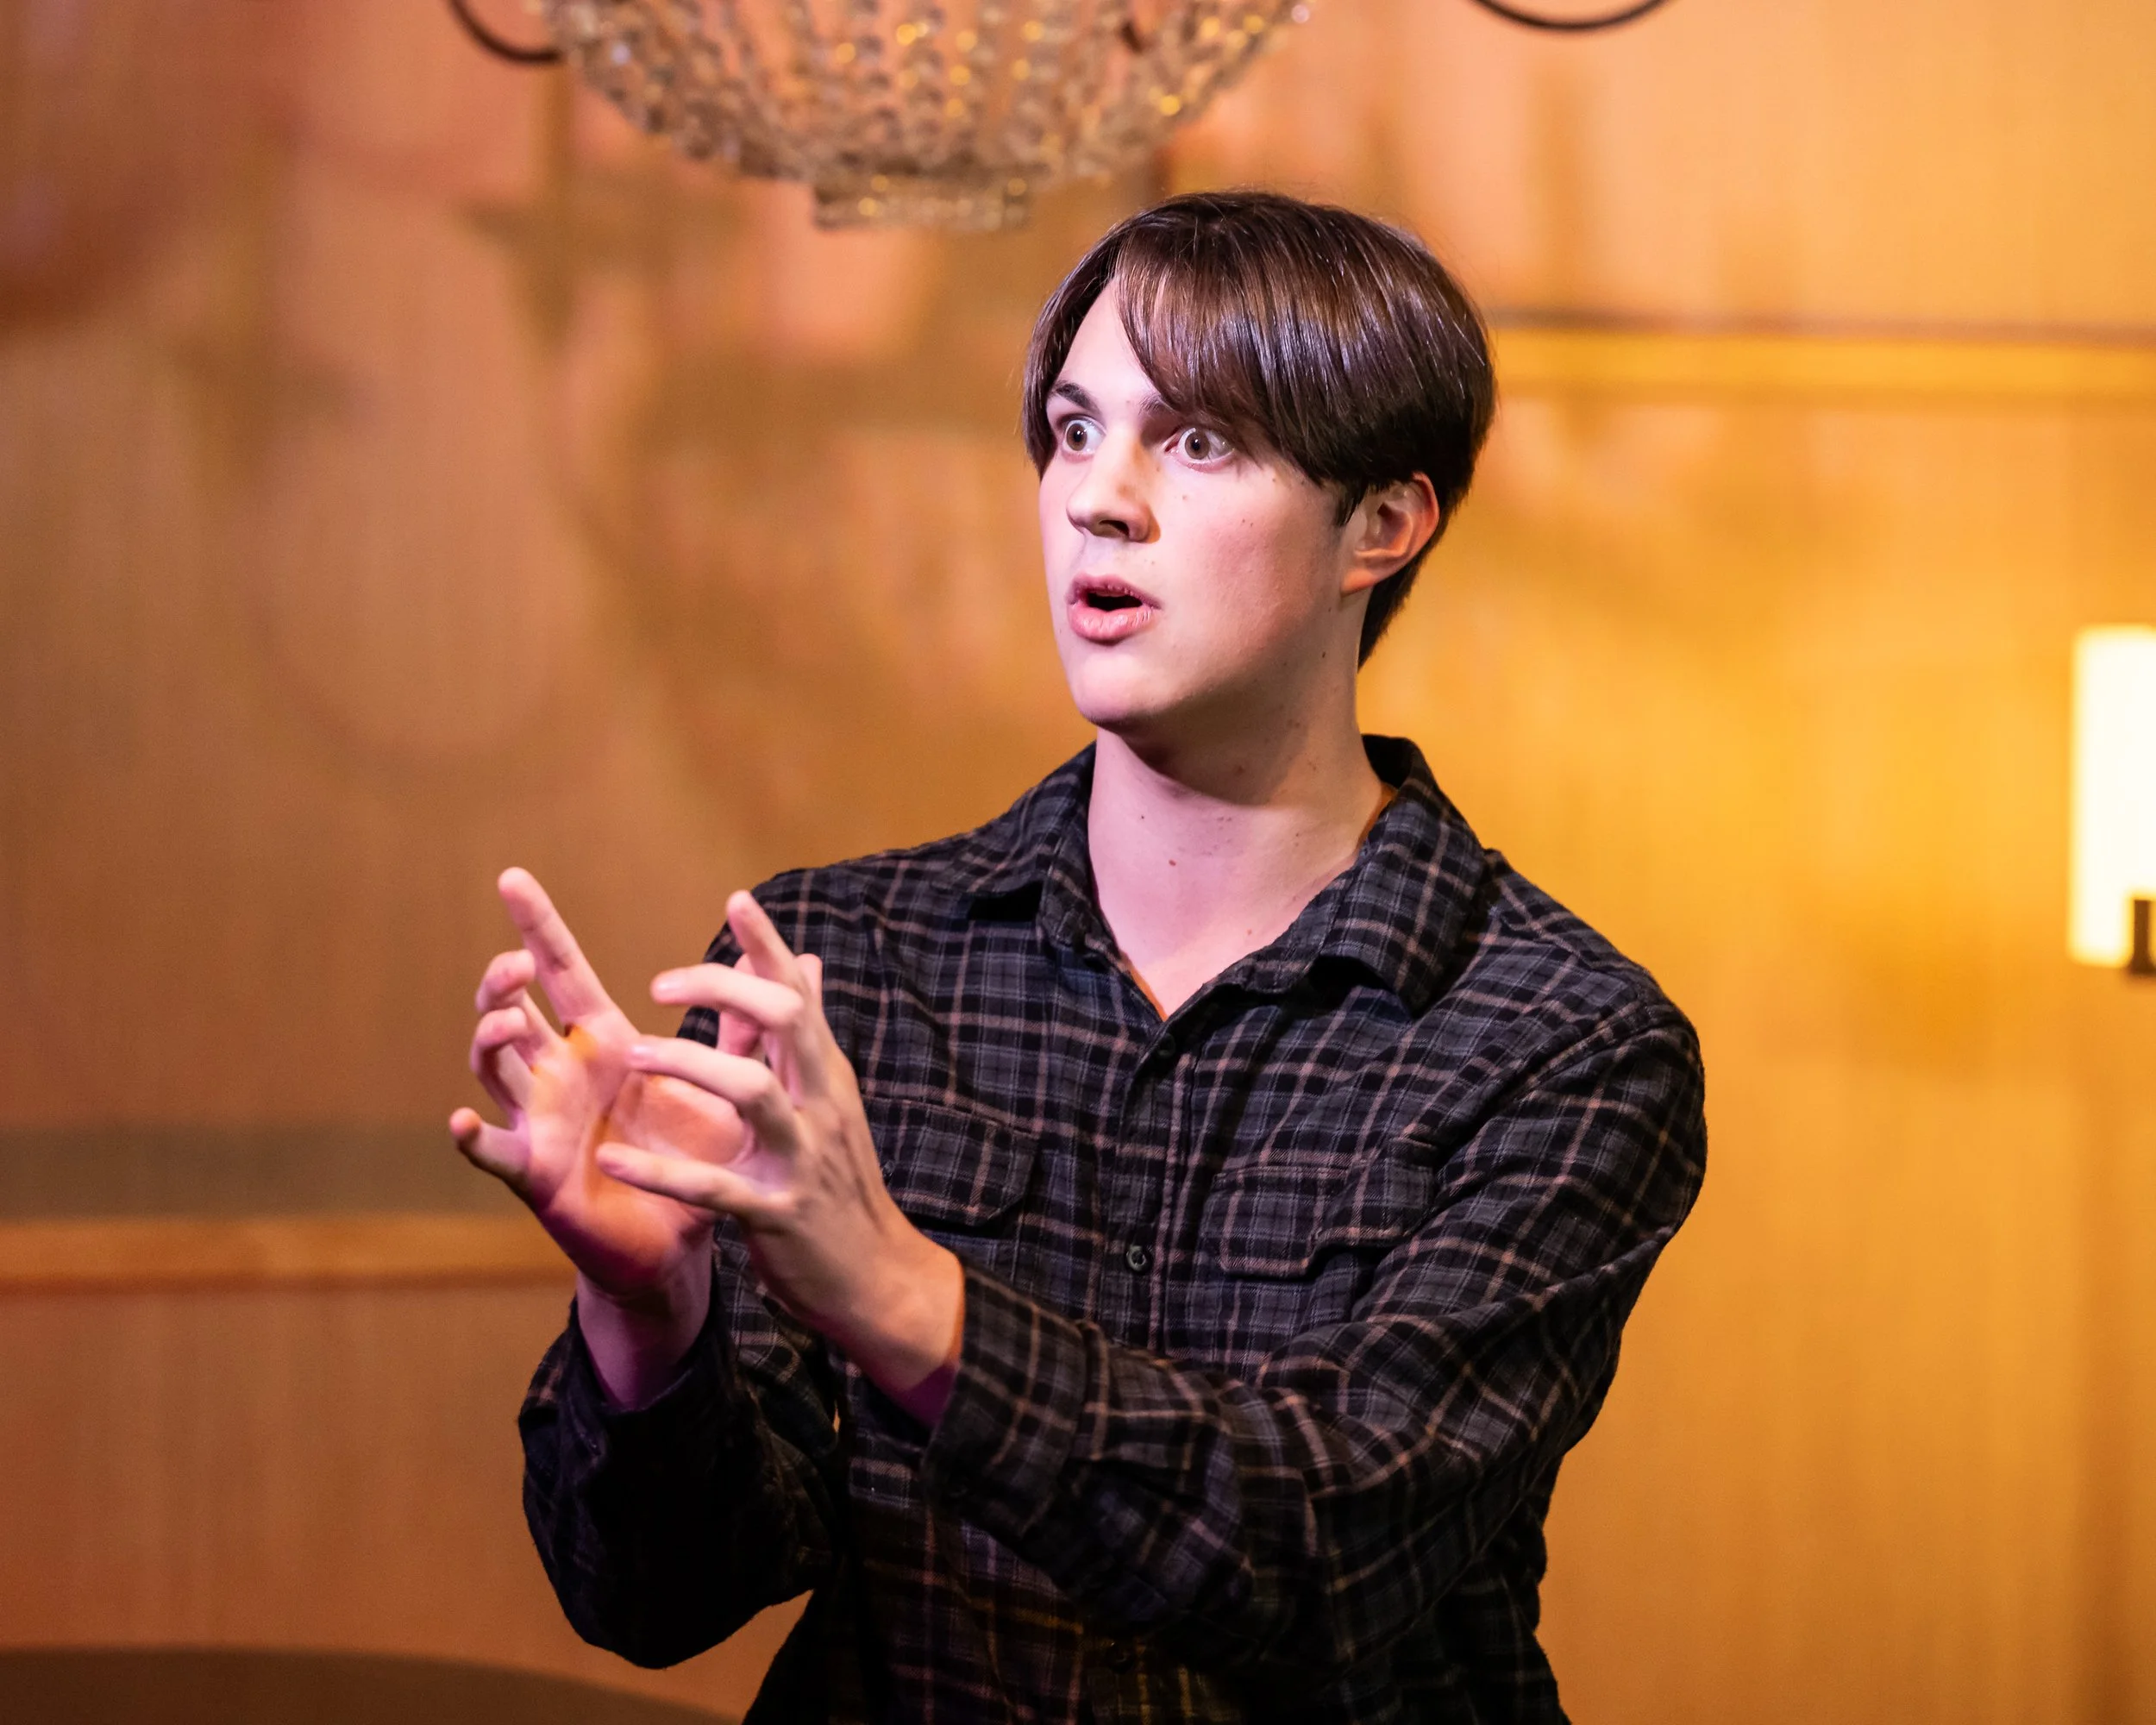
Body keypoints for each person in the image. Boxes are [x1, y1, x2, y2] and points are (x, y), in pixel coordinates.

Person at [450, 191, 1707, 1724]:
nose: (1098, 499)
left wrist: (901, 1295)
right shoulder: (848, 963)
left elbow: (1320, 1556)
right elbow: (648, 1600)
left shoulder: (1562, 1041)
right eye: (1071, 427)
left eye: (1196, 442)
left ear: (1383, 522)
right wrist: (651, 1315)